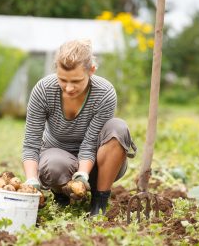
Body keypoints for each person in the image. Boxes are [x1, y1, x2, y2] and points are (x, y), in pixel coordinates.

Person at [22, 39, 137, 216]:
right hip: (58, 160)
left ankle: (99, 201)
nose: (68, 88)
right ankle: (61, 194)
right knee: (53, 164)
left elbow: (90, 143)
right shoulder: (44, 90)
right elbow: (31, 143)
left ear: (91, 71)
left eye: (76, 81)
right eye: (62, 80)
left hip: (98, 164)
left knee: (118, 127)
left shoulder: (104, 93)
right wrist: (31, 180)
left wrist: (82, 175)